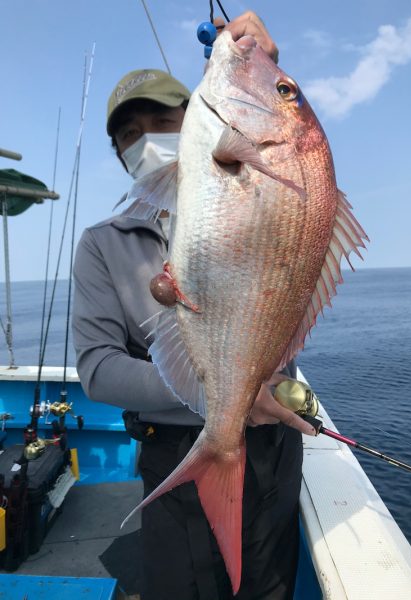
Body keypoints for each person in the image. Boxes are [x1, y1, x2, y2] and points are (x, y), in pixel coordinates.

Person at [72, 11, 315, 600]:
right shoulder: (103, 244)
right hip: (169, 453)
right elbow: (98, 369)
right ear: (117, 153)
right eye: (129, 133)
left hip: (267, 452)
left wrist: (269, 72)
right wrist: (219, 398)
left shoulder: (252, 179)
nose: (146, 137)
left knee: (267, 586)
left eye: (162, 118)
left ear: (195, 121)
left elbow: (302, 196)